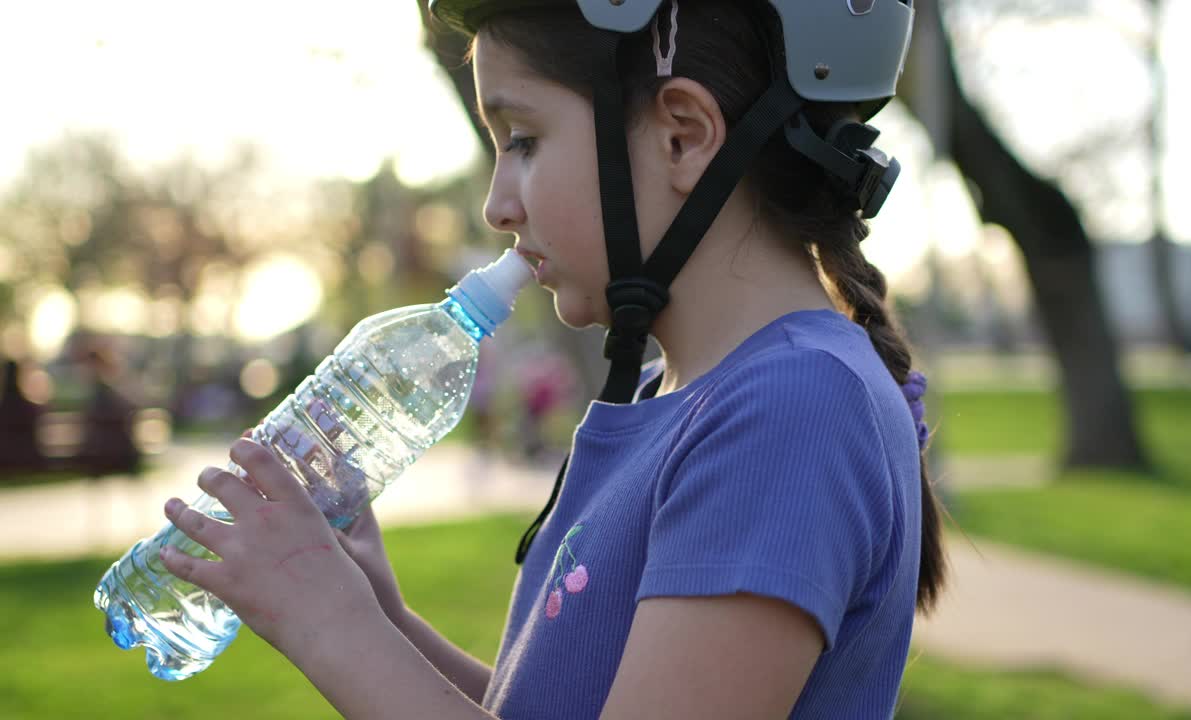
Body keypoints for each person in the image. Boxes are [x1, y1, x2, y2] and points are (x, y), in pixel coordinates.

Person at [158, 1, 946, 717]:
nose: (497, 204)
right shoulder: (671, 396)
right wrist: (384, 622)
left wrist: (332, 626)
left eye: (524, 141)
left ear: (685, 135)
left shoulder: (793, 409)